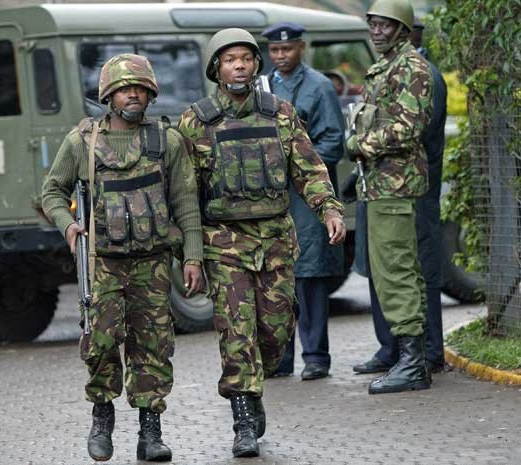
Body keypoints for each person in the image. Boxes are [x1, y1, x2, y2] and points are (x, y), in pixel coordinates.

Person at [178, 28, 345, 457]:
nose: (239, 66)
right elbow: (184, 194)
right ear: (217, 67)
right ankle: (243, 415)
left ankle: (256, 388)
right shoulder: (196, 121)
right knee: (236, 331)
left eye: (246, 59)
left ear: (256, 66)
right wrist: (190, 253)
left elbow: (309, 168)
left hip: (274, 240)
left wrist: (328, 208)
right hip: (224, 243)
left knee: (274, 332)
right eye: (230, 59)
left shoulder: (280, 114)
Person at [42, 54, 204, 462]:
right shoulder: (82, 142)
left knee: (153, 347)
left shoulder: (165, 141)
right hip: (102, 264)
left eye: (140, 88)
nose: (133, 94)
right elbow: (52, 192)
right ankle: (102, 418)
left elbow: (185, 202)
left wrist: (193, 258)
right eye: (124, 88)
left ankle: (151, 433)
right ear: (108, 95)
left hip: (152, 263)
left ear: (151, 93)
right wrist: (69, 226)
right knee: (99, 344)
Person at [352, 15, 448, 376]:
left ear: (404, 30)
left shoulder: (412, 68)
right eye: (373, 24)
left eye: (385, 25)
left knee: (400, 269)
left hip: (401, 185)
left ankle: (415, 359)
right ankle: (408, 355)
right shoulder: (386, 66)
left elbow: (409, 129)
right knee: (391, 269)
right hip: (381, 182)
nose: (376, 31)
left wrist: (358, 145)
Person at [261, 22, 345, 381]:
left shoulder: (320, 87)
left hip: (307, 195)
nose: (281, 56)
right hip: (271, 198)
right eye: (276, 51)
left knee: (310, 275)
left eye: (288, 49)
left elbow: (333, 143)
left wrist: (295, 166)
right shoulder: (261, 87)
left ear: (302, 48)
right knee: (277, 276)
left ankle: (315, 356)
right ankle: (281, 357)